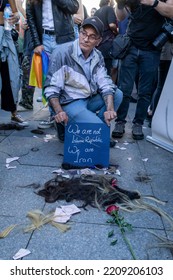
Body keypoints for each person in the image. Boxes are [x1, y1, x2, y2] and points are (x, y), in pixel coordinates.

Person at [44, 16, 123, 147]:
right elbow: (51, 89)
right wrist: (59, 111)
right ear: (79, 33)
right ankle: (65, 124)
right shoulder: (62, 53)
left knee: (117, 94)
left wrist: (109, 109)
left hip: (87, 98)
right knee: (95, 128)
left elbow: (105, 83)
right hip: (69, 102)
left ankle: (99, 132)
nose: (86, 39)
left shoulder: (97, 55)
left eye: (92, 37)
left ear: (98, 41)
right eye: (84, 33)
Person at [112, 0, 173, 140]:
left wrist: (153, 2)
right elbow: (121, 16)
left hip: (152, 49)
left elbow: (171, 11)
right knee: (124, 88)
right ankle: (120, 122)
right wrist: (120, 5)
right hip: (131, 46)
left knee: (145, 91)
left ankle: (138, 123)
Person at [26, 0, 79, 128]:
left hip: (64, 38)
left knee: (67, 78)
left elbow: (74, 7)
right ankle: (53, 115)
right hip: (45, 39)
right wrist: (36, 42)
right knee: (49, 79)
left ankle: (68, 113)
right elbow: (30, 18)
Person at [0, 0, 28, 126]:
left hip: (5, 33)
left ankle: (14, 112)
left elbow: (15, 14)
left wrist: (16, 14)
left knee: (10, 73)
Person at [95, 0, 118, 76]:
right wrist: (117, 31)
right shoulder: (109, 8)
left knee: (99, 70)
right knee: (110, 69)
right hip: (108, 43)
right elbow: (111, 25)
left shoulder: (96, 12)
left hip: (98, 45)